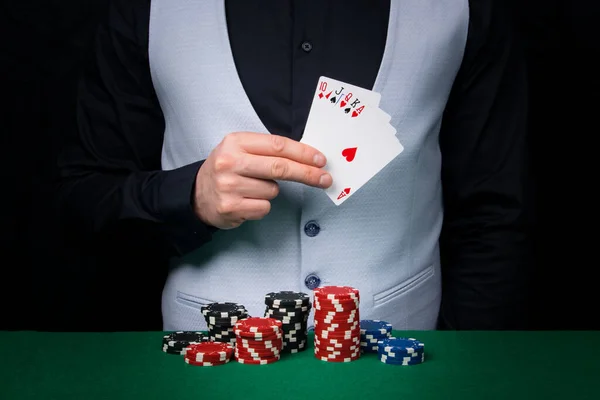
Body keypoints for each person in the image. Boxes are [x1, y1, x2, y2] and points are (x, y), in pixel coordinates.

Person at [57, 0, 531, 332]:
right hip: (203, 364)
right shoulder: (149, 8)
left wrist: (462, 355)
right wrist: (188, 196)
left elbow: (495, 208)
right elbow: (83, 191)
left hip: (403, 361)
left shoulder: (463, 8)